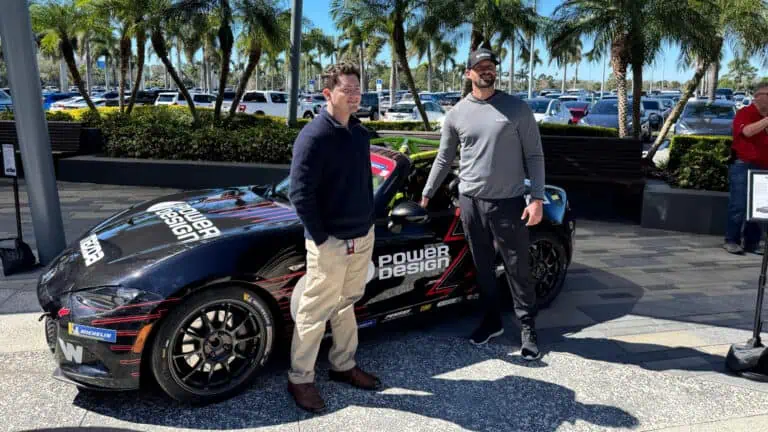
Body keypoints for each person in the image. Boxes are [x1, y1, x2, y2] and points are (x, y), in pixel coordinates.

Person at [420, 48, 546, 360]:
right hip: (470, 202)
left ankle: (527, 329)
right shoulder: (457, 113)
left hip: (509, 203)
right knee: (483, 268)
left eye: (490, 66)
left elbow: (534, 155)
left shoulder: (517, 109)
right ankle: (491, 322)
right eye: (480, 67)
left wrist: (537, 199)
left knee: (518, 268)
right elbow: (445, 157)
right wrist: (426, 192)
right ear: (469, 74)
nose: (487, 71)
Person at [287, 63, 381, 413]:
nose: (355, 95)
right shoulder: (314, 136)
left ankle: (343, 365)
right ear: (328, 93)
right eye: (347, 90)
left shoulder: (358, 133)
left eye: (358, 89)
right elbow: (300, 193)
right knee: (314, 311)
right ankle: (300, 378)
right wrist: (322, 238)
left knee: (346, 303)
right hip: (331, 244)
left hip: (361, 238)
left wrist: (368, 225)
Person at [725, 83, 768, 254]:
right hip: (743, 165)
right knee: (739, 204)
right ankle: (731, 239)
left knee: (758, 206)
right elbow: (747, 132)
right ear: (758, 96)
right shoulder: (745, 113)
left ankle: (752, 242)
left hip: (764, 166)